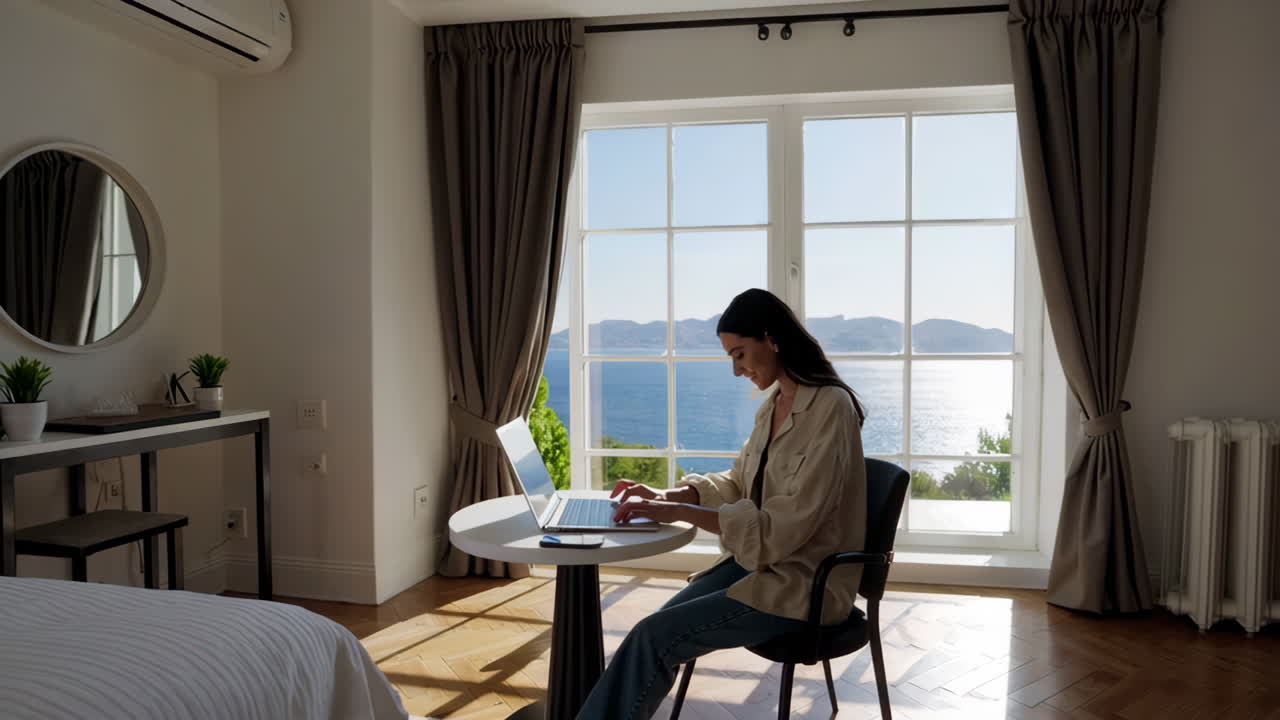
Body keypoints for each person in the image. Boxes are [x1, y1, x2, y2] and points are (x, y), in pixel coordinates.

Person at [574, 288, 869, 720]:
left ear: (771, 338)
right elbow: (740, 482)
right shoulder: (774, 406)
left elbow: (781, 529)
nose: (737, 370)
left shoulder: (831, 408)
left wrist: (679, 513)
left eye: (740, 354)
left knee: (656, 637)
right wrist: (670, 496)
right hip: (756, 564)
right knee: (648, 634)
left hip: (802, 583)